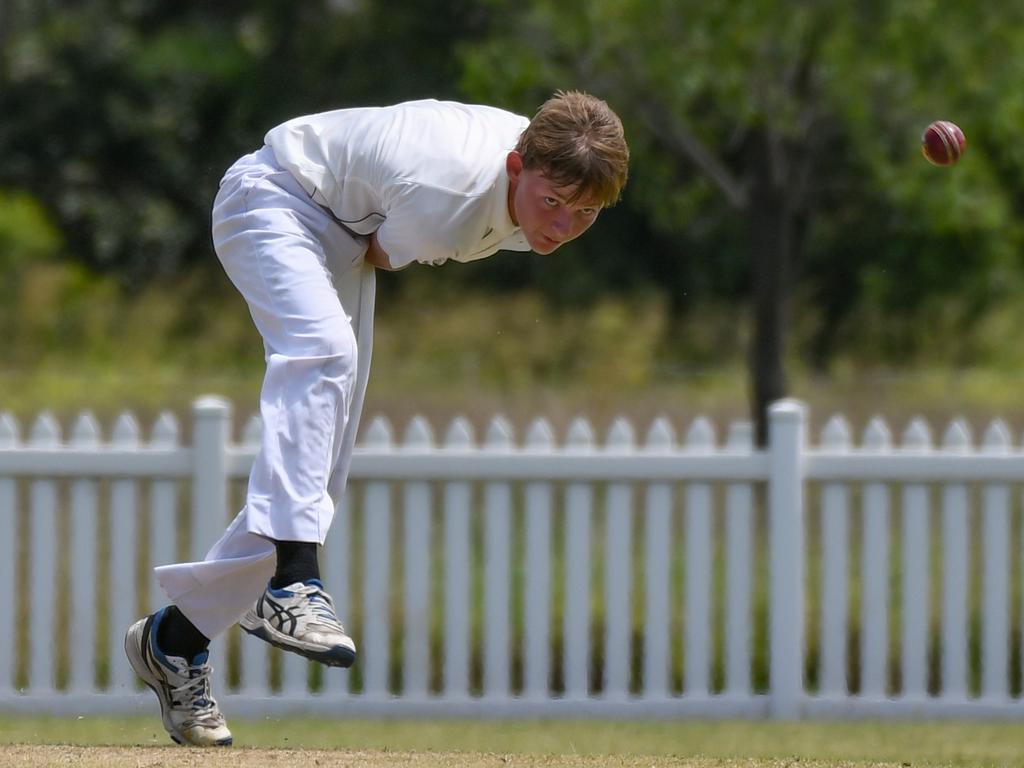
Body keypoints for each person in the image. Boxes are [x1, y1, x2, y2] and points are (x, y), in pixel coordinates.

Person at [124, 90, 629, 747]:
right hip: (274, 197)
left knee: (317, 476)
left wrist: (559, 201)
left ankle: (175, 640)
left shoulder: (540, 162)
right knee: (322, 353)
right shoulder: (447, 196)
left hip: (345, 231)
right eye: (553, 204)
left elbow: (373, 240)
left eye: (585, 213)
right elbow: (386, 251)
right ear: (514, 166)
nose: (562, 227)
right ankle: (293, 581)